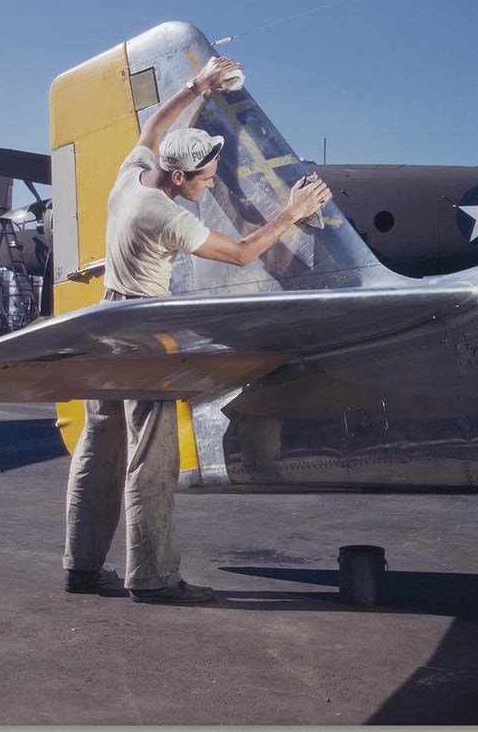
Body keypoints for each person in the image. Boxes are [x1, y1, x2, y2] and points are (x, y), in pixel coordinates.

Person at [63, 55, 331, 605]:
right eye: (205, 179)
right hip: (143, 329)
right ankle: (154, 577)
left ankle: (81, 568)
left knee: (100, 448)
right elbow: (237, 254)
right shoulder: (166, 215)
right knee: (151, 460)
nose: (211, 188)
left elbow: (155, 128)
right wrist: (291, 212)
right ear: (179, 177)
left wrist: (198, 88)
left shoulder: (130, 178)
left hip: (105, 325)